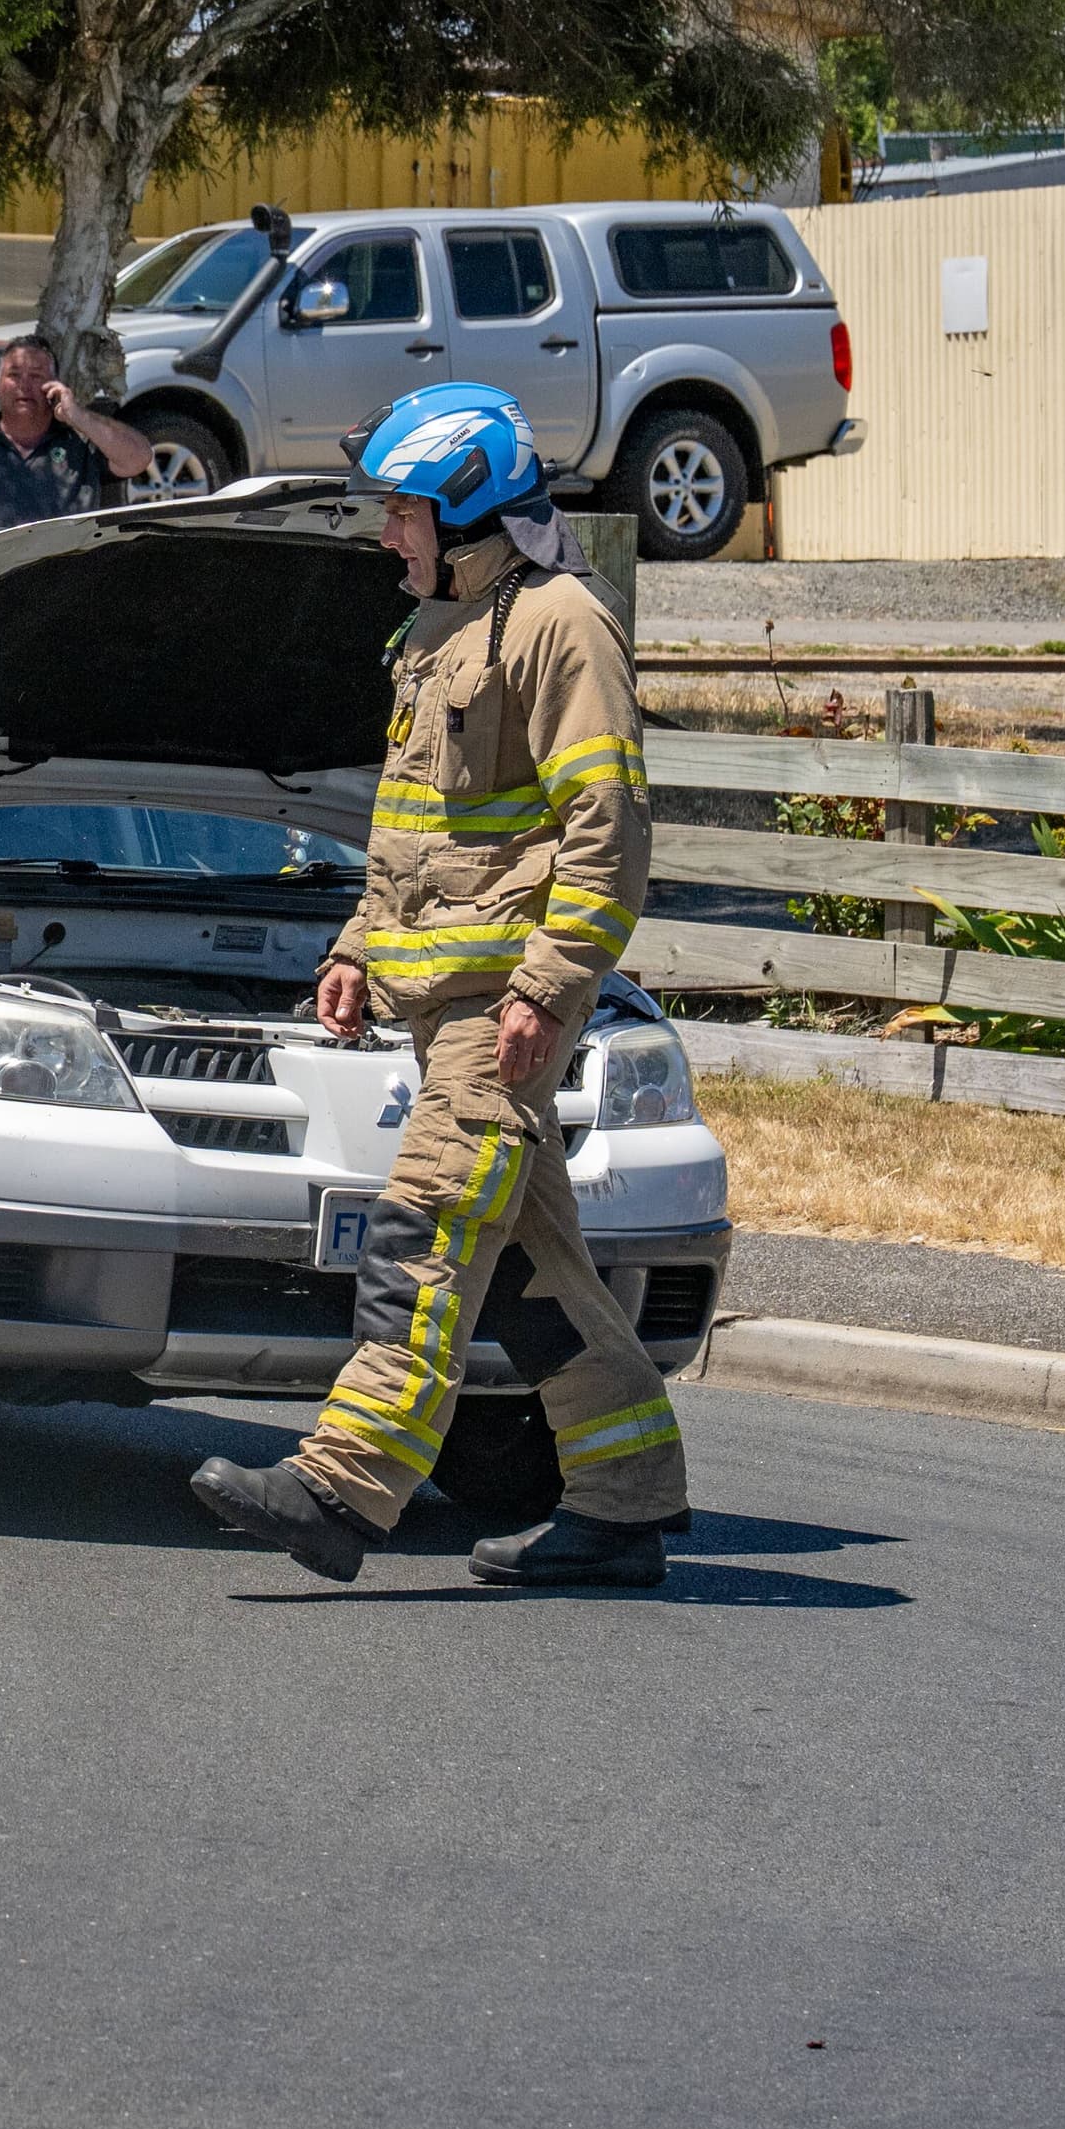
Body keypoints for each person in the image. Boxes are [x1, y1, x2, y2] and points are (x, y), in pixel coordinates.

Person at [186, 380, 688, 1590]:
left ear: (465, 511)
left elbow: (607, 829)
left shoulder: (564, 624)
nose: (384, 535)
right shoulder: (430, 636)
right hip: (439, 1010)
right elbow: (415, 833)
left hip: (500, 1015)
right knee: (527, 1273)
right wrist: (358, 944)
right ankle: (625, 1502)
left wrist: (551, 983)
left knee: (419, 1235)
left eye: (402, 513)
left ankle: (339, 1488)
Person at [0, 333, 156, 528]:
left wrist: (77, 415)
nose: (24, 385)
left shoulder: (80, 446)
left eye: (36, 376)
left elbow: (139, 457)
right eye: (14, 375)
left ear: (54, 386)